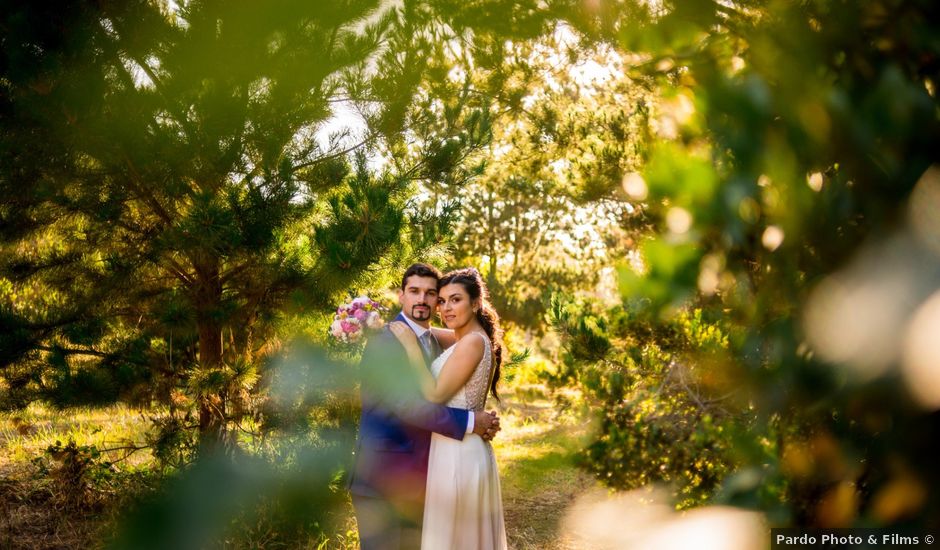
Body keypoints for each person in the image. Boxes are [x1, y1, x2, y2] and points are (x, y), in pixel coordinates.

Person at [349, 263, 501, 550]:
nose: (423, 300)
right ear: (401, 296)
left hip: (427, 475)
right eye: (414, 291)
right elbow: (407, 406)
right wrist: (472, 421)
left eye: (432, 294)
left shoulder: (432, 339)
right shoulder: (387, 343)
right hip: (384, 477)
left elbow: (466, 339)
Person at [389, 267, 508, 550]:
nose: (445, 308)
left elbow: (433, 394)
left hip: (459, 453)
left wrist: (410, 347)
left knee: (456, 538)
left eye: (455, 300)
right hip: (455, 446)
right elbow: (431, 331)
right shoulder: (466, 338)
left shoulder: (471, 343)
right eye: (441, 301)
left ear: (476, 303)